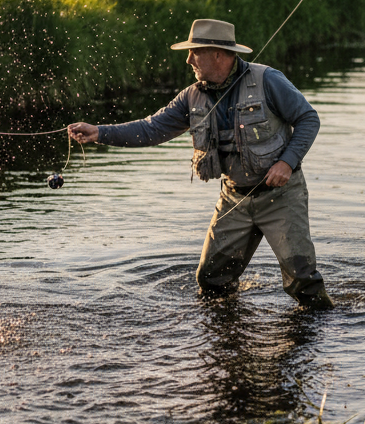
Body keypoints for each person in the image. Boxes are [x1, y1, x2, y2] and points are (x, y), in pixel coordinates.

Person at [68, 18, 333, 308]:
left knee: (304, 285)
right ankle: (228, 336)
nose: (188, 59)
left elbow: (309, 118)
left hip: (281, 197)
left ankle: (317, 342)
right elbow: (151, 129)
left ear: (218, 54)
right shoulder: (191, 96)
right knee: (211, 281)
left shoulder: (269, 80)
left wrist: (286, 162)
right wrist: (99, 132)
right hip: (233, 198)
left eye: (195, 51)